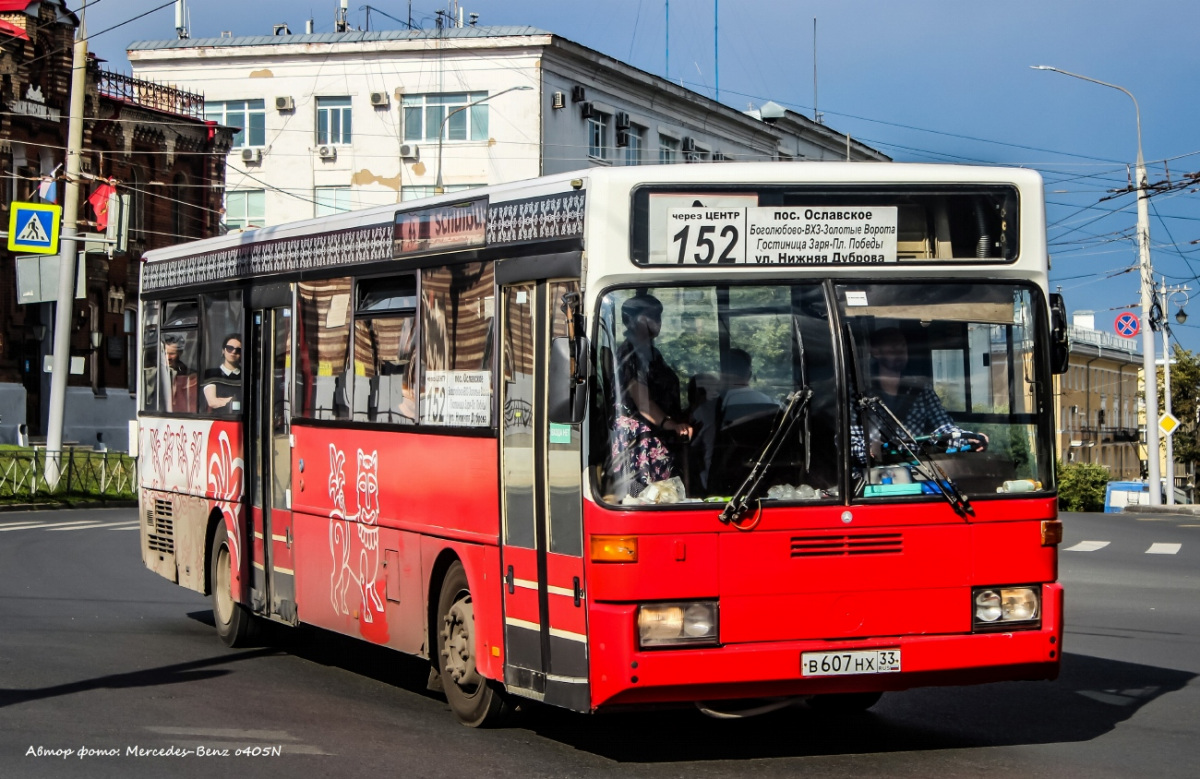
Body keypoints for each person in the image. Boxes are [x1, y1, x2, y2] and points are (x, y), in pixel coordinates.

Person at [852, 326, 986, 463]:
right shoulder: (859, 395)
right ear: (875, 352)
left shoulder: (921, 390)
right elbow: (849, 444)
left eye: (903, 346)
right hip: (873, 475)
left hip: (918, 471)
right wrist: (869, 450)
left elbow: (943, 427)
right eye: (893, 347)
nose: (900, 352)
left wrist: (967, 439)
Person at [609, 293, 692, 496]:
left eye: (659, 315)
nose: (657, 321)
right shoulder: (630, 354)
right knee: (646, 497)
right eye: (650, 315)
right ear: (631, 319)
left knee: (663, 495)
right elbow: (643, 402)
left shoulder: (650, 352)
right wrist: (671, 424)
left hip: (655, 434)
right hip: (639, 441)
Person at [203, 334, 242, 414]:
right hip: (219, 420)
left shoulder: (246, 375)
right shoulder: (211, 374)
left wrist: (222, 400)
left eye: (238, 350)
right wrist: (234, 400)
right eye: (229, 348)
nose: (233, 352)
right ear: (223, 351)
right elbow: (212, 402)